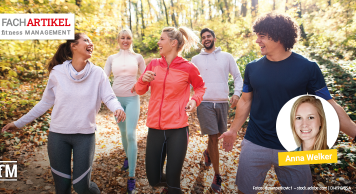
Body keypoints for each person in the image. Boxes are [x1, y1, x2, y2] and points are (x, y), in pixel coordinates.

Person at [219, 12, 356, 194]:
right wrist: (233, 130)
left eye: (262, 36)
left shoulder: (308, 68)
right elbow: (245, 100)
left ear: (278, 36)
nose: (257, 41)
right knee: (245, 191)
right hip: (255, 143)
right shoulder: (252, 68)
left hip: (293, 147)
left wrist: (354, 132)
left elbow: (328, 105)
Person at [1, 33, 126, 194]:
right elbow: (45, 102)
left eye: (91, 41)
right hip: (58, 136)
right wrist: (18, 123)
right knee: (62, 187)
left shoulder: (97, 73)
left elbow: (109, 97)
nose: (91, 43)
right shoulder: (57, 72)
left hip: (85, 136)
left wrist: (118, 108)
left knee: (82, 187)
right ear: (73, 46)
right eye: (86, 40)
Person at [134, 26, 205, 194]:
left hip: (178, 129)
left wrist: (194, 101)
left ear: (173, 43)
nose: (158, 42)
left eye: (162, 39)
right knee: (154, 179)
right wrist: (143, 79)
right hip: (155, 128)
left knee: (173, 182)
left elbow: (200, 87)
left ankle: (174, 188)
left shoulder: (188, 67)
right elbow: (139, 90)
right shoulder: (153, 64)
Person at [191, 28, 242, 193]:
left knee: (216, 137)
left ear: (214, 38)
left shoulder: (226, 57)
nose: (206, 39)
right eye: (203, 37)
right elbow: (190, 81)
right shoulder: (195, 59)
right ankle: (217, 175)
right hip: (204, 103)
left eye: (208, 36)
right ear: (202, 41)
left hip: (222, 103)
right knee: (213, 136)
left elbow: (237, 77)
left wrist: (236, 94)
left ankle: (208, 153)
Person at [104, 29, 145, 194]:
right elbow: (103, 78)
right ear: (118, 40)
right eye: (123, 38)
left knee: (131, 134)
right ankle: (128, 156)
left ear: (131, 40)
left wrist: (140, 85)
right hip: (117, 102)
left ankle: (132, 177)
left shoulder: (138, 58)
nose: (125, 40)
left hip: (132, 99)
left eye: (128, 38)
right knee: (123, 133)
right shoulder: (111, 58)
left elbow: (146, 77)